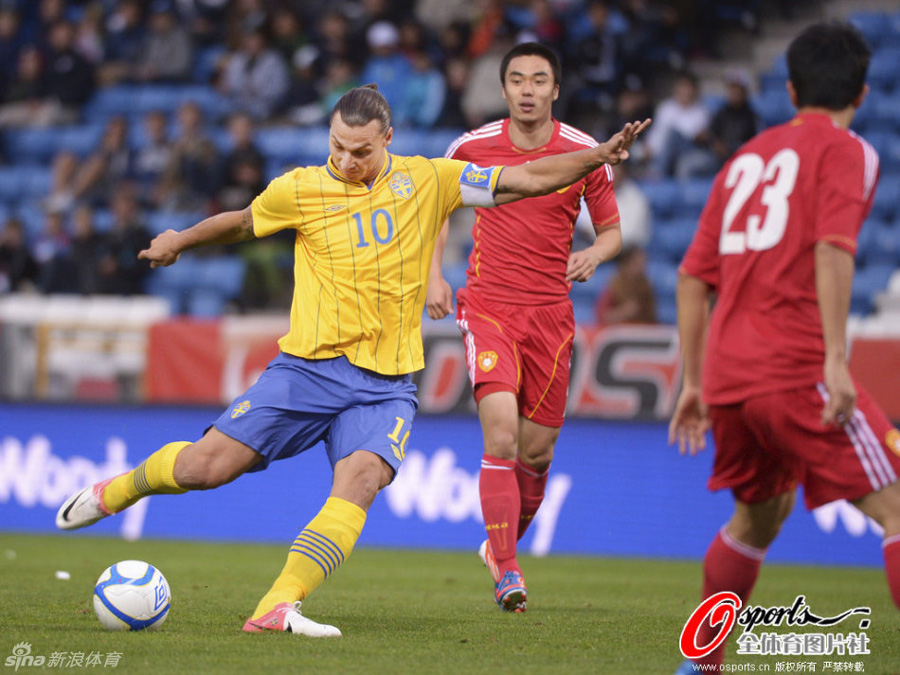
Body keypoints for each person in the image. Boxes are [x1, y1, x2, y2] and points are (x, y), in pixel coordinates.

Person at [56, 84, 649, 636]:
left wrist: (595, 156)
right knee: (205, 469)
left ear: (387, 140)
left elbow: (525, 179)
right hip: (306, 370)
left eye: (361, 151)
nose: (346, 160)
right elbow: (241, 223)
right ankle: (121, 489)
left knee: (361, 480)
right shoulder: (302, 188)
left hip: (386, 384)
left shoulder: (430, 181)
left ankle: (276, 606)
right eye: (337, 146)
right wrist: (179, 240)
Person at [669, 23, 900, 674]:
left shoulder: (745, 157)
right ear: (862, 91)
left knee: (758, 517)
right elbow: (832, 247)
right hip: (795, 368)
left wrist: (693, 381)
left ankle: (700, 664)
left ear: (791, 88)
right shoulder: (850, 150)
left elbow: (692, 277)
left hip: (729, 379)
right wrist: (834, 357)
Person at [426, 42, 624, 613]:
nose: (528, 90)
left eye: (539, 80)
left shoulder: (586, 152)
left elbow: (611, 231)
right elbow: (438, 207)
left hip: (551, 317)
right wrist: (435, 277)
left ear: (555, 90)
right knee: (503, 439)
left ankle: (498, 548)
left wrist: (595, 255)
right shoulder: (471, 146)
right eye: (517, 80)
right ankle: (508, 570)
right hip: (487, 306)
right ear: (505, 88)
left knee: (535, 456)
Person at [595, 244, 656, 325]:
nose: (640, 268)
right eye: (636, 263)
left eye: (643, 263)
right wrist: (623, 312)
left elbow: (652, 318)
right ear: (625, 264)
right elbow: (601, 317)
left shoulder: (646, 286)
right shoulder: (614, 286)